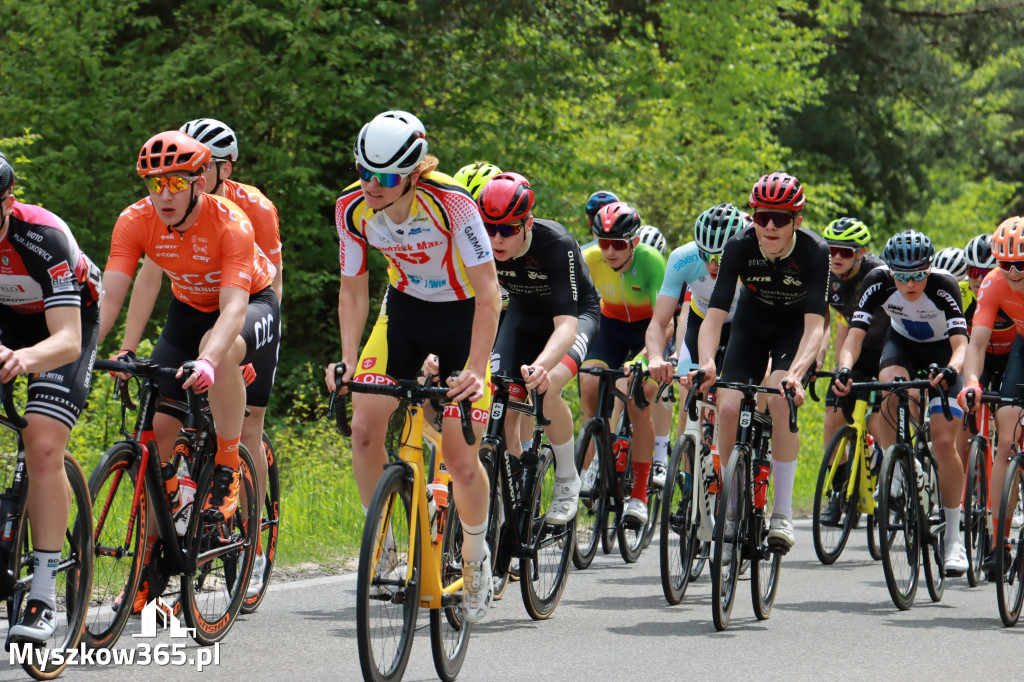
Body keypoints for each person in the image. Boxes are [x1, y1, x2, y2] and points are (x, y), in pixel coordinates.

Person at [326, 111, 500, 623]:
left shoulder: (452, 204)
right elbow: (353, 289)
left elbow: (490, 294)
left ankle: (474, 554)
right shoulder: (350, 209)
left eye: (384, 178)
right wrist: (348, 357)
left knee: (459, 455)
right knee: (362, 429)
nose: (371, 185)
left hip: (463, 314)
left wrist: (472, 369)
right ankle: (383, 547)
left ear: (414, 172)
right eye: (363, 173)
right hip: (402, 311)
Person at [100, 131, 281, 610]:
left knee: (212, 348)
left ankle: (226, 463)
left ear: (200, 181)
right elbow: (111, 295)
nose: (163, 195)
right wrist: (95, 350)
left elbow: (235, 305)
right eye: (153, 183)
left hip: (248, 308)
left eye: (176, 181)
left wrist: (209, 360)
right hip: (187, 311)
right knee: (159, 433)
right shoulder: (135, 220)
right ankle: (152, 560)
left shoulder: (232, 222)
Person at [686, 172, 830, 551]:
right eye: (762, 215)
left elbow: (816, 325)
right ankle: (731, 505)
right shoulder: (738, 245)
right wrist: (706, 362)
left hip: (793, 330)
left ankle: (781, 513)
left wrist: (797, 374)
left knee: (779, 397)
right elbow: (714, 315)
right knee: (728, 405)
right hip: (750, 325)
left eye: (780, 218)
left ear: (796, 221)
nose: (769, 225)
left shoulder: (815, 252)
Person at [0, 152, 101, 642]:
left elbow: (66, 339)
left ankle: (42, 593)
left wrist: (22, 359)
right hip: (6, 321)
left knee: (42, 442)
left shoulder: (43, 238)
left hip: (65, 322)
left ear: (8, 203)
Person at [833, 230, 968, 575]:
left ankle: (954, 540)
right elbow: (854, 336)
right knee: (891, 389)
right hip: (903, 343)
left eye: (919, 274)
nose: (911, 283)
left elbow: (961, 345)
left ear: (930, 268)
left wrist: (953, 370)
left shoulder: (944, 285)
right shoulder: (877, 281)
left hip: (944, 353)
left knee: (942, 440)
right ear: (890, 271)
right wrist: (845, 368)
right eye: (903, 276)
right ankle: (899, 468)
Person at [479, 172, 601, 525]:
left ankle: (567, 477)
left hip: (574, 317)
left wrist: (543, 366)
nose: (497, 238)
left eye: (508, 229)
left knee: (545, 390)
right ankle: (514, 496)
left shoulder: (555, 243)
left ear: (527, 223)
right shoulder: (481, 242)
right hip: (522, 312)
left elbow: (566, 325)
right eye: (490, 227)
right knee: (500, 400)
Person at [578, 202, 665, 524]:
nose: (610, 251)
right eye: (603, 243)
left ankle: (639, 495)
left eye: (618, 244)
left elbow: (664, 321)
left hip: (647, 331)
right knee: (588, 383)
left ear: (634, 242)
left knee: (634, 393)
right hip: (610, 331)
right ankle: (597, 461)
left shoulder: (652, 262)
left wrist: (648, 356)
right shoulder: (590, 261)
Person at [647, 203, 744, 484]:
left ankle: (744, 466)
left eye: (721, 256)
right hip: (702, 325)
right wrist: (655, 357)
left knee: (739, 401)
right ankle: (690, 489)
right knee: (691, 397)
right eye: (706, 255)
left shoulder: (751, 258)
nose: (713, 264)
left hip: (742, 327)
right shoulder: (683, 259)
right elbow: (658, 322)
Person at [959, 219, 1024, 578]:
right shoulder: (994, 282)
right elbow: (977, 342)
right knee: (1006, 433)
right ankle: (999, 543)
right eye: (1005, 263)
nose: (1013, 272)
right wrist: (971, 380)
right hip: (1022, 346)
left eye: (1022, 265)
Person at [814, 217, 888, 523]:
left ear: (861, 252)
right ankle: (839, 490)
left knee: (880, 420)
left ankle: (889, 474)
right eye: (832, 250)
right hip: (856, 350)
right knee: (833, 419)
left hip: (888, 349)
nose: (837, 257)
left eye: (845, 251)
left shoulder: (878, 273)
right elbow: (832, 323)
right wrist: (832, 365)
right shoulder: (826, 274)